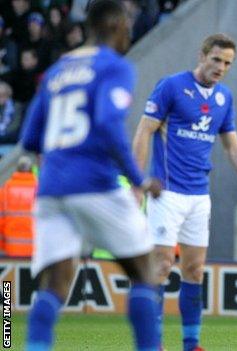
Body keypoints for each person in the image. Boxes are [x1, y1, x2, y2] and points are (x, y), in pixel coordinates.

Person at [21, 1, 162, 350]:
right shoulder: (114, 66)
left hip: (51, 190)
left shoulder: (57, 70)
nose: (130, 30)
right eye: (128, 22)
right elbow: (107, 122)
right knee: (145, 274)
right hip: (96, 184)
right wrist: (138, 178)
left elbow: (29, 139)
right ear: (115, 23)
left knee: (54, 284)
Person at [132, 33, 237, 351]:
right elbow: (144, 130)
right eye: (217, 59)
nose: (221, 67)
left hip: (199, 195)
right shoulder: (171, 86)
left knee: (194, 269)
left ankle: (191, 343)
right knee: (163, 265)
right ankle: (152, 343)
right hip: (165, 192)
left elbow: (232, 147)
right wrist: (139, 182)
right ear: (203, 55)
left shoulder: (224, 98)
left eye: (227, 63)